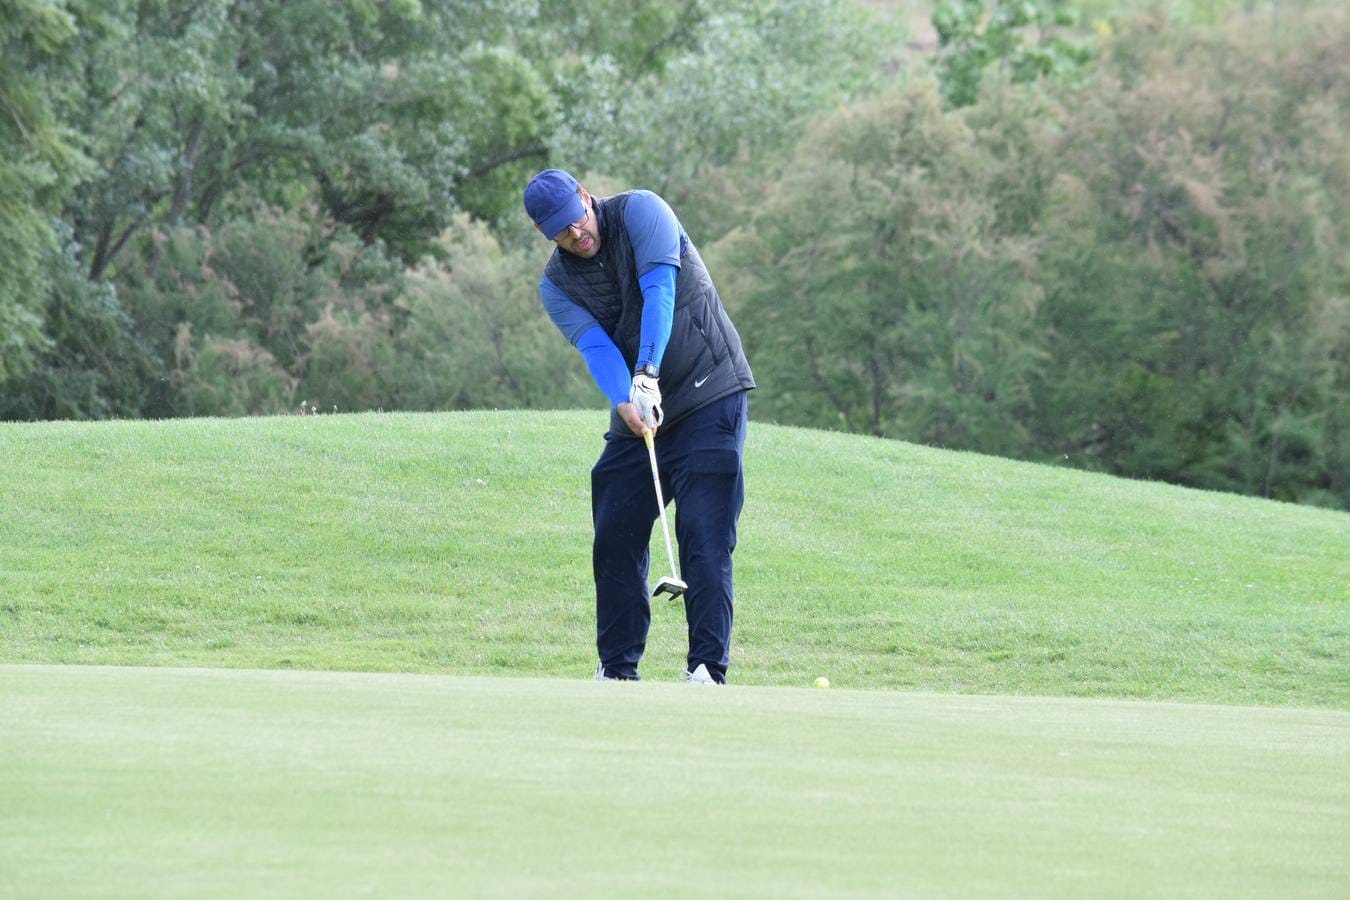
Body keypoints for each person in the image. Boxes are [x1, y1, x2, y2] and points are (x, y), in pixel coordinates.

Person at [523, 169, 755, 685]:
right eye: (560, 232)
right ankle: (617, 668)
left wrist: (646, 373)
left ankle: (705, 668)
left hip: (709, 389)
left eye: (576, 220)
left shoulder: (643, 212)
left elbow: (659, 292)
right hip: (640, 412)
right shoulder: (556, 285)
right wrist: (625, 399)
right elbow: (595, 346)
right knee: (614, 530)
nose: (574, 235)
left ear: (587, 198)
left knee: (704, 533)